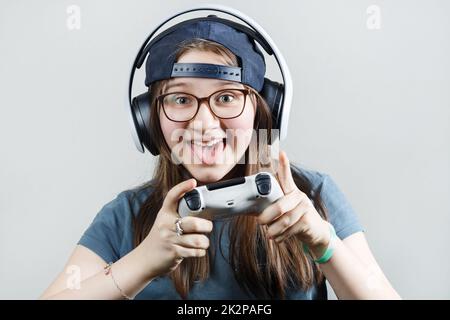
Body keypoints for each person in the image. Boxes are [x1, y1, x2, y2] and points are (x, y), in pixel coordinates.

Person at [40, 18, 400, 300]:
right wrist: (140, 263)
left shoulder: (312, 195)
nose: (203, 123)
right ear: (151, 119)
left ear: (264, 111)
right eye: (180, 99)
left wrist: (325, 245)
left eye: (226, 98)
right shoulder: (126, 216)